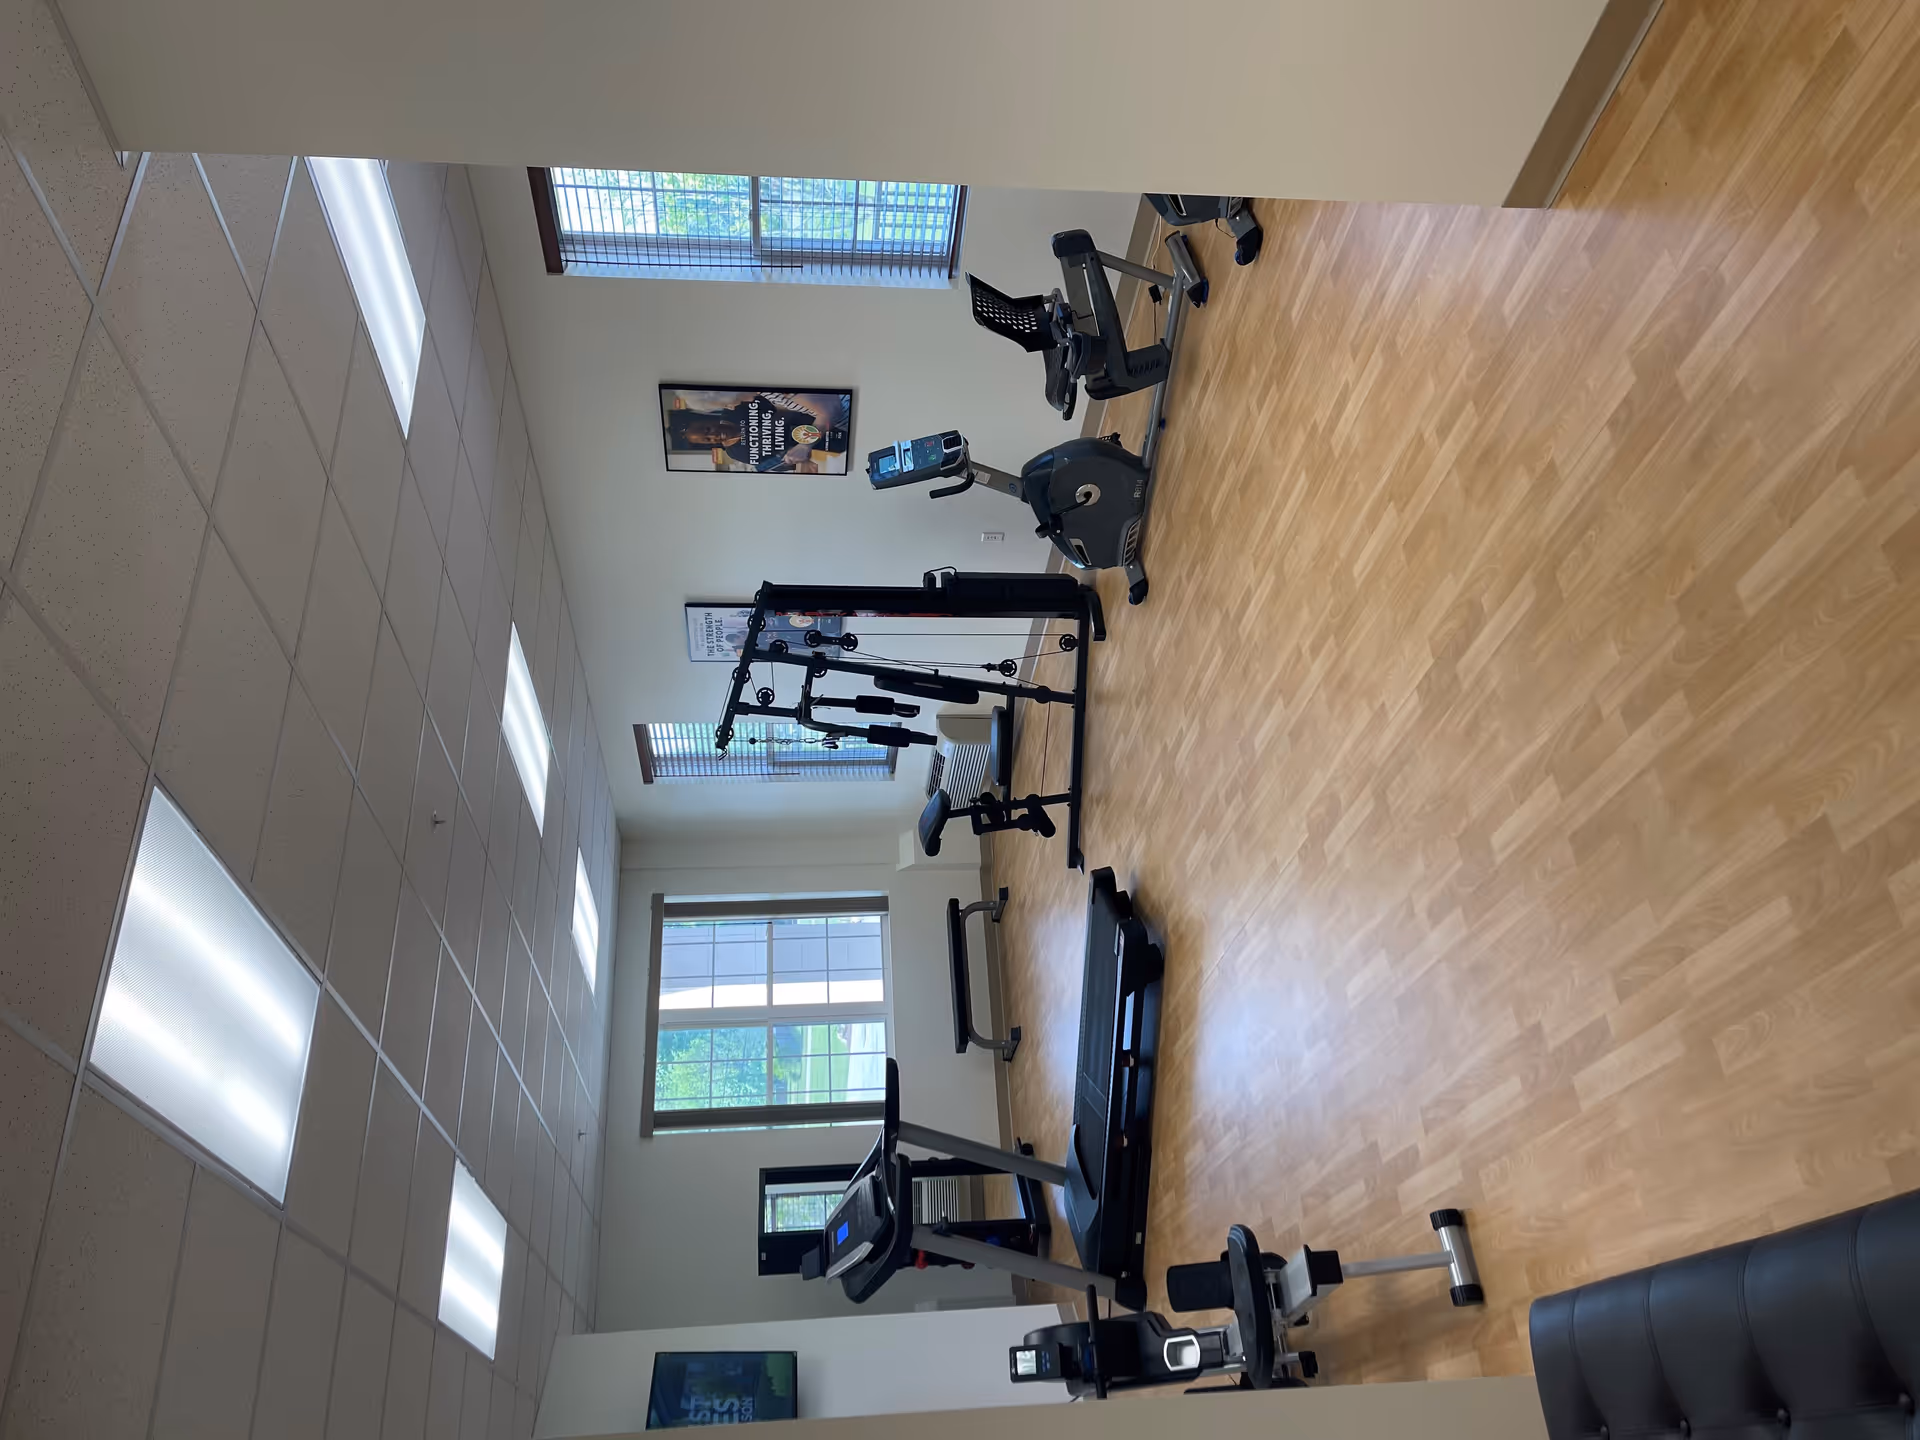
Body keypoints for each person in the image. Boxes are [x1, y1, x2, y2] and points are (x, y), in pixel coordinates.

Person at [664, 392, 849, 472]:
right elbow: (784, 459)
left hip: (826, 421)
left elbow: (825, 410)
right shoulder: (736, 453)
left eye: (707, 430)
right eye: (706, 439)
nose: (711, 436)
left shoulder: (738, 406)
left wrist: (803, 443)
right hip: (828, 448)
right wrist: (802, 457)